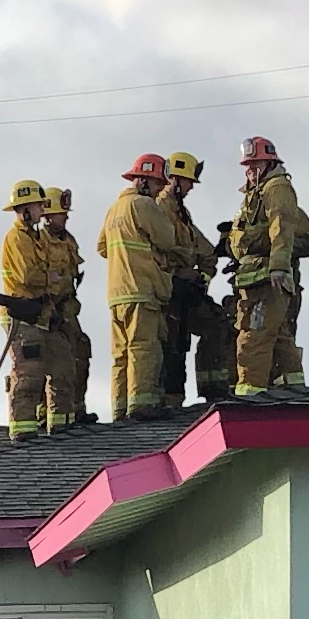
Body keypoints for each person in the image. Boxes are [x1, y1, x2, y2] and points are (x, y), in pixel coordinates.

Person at [98, 156, 190, 421]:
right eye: (159, 182)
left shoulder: (114, 209)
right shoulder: (144, 205)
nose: (162, 188)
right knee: (143, 347)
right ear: (146, 181)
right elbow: (167, 239)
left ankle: (120, 407)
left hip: (117, 294)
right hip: (141, 289)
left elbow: (102, 247)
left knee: (120, 353)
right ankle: (141, 405)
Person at [0, 176, 88, 438]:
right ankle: (22, 430)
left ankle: (61, 424)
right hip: (22, 315)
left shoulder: (35, 237)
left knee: (63, 365)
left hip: (42, 314)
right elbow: (28, 276)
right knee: (28, 374)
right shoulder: (16, 239)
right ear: (25, 209)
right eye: (38, 206)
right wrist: (51, 279)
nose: (42, 210)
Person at [227, 136, 309, 392]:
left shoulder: (276, 188)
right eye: (247, 165)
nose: (250, 170)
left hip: (266, 277)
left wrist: (278, 267)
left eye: (255, 164)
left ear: (269, 163)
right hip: (254, 276)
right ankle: (292, 386)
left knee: (254, 335)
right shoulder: (255, 194)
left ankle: (249, 392)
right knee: (277, 333)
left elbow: (281, 227)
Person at [159, 150, 230, 407]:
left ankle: (213, 389)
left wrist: (202, 279)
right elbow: (158, 252)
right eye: (188, 182)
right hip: (168, 291)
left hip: (187, 291)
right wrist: (178, 273)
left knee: (217, 323)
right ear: (174, 179)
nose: (191, 188)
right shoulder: (158, 210)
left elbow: (206, 252)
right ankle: (170, 401)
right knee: (174, 346)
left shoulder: (182, 214)